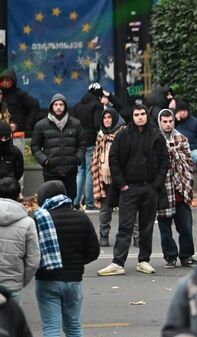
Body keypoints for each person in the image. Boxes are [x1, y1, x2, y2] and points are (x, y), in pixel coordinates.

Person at [97, 104, 169, 276]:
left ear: (146, 115)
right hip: (128, 188)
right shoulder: (123, 135)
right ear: (132, 116)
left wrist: (155, 185)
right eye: (136, 114)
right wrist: (122, 183)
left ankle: (144, 261)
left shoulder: (156, 136)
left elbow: (164, 161)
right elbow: (113, 159)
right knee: (125, 227)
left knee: (147, 227)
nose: (140, 117)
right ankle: (117, 262)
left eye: (143, 113)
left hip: (149, 188)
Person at [33, 180, 100, 337]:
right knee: (74, 327)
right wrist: (76, 263)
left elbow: (32, 252)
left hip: (47, 279)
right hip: (74, 279)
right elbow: (94, 251)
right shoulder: (81, 218)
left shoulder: (39, 219)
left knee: (51, 327)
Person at [156, 109, 197, 268]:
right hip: (163, 190)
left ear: (174, 121)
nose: (167, 124)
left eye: (170, 121)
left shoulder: (182, 138)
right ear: (160, 122)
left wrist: (174, 154)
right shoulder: (155, 138)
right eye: (164, 121)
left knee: (185, 226)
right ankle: (170, 256)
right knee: (165, 228)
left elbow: (188, 163)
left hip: (180, 189)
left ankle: (186, 256)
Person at [31, 93, 86, 200]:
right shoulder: (41, 125)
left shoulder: (76, 124)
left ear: (65, 106)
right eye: (56, 104)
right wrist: (45, 161)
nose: (58, 107)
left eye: (61, 104)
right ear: (51, 106)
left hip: (70, 171)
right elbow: (35, 147)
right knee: (52, 201)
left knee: (69, 200)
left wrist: (77, 159)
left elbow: (82, 144)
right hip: (50, 171)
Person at [0, 177, 39, 303]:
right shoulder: (28, 223)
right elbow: (33, 260)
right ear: (19, 196)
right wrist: (20, 281)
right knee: (11, 322)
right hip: (13, 284)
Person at [92, 108, 126, 246]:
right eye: (104, 118)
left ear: (115, 119)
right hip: (104, 178)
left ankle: (132, 236)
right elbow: (96, 155)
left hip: (121, 177)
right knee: (105, 209)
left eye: (109, 117)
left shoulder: (123, 133)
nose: (106, 120)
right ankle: (104, 236)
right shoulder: (100, 135)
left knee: (127, 209)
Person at [71, 83, 107, 211]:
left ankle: (75, 201)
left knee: (80, 172)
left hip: (78, 142)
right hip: (91, 141)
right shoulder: (97, 105)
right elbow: (98, 124)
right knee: (89, 172)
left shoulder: (77, 105)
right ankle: (89, 203)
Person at [174, 100, 197, 168]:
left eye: (184, 110)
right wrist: (175, 121)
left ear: (188, 111)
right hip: (176, 150)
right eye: (180, 110)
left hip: (192, 150)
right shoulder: (172, 122)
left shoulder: (195, 122)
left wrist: (194, 146)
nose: (182, 113)